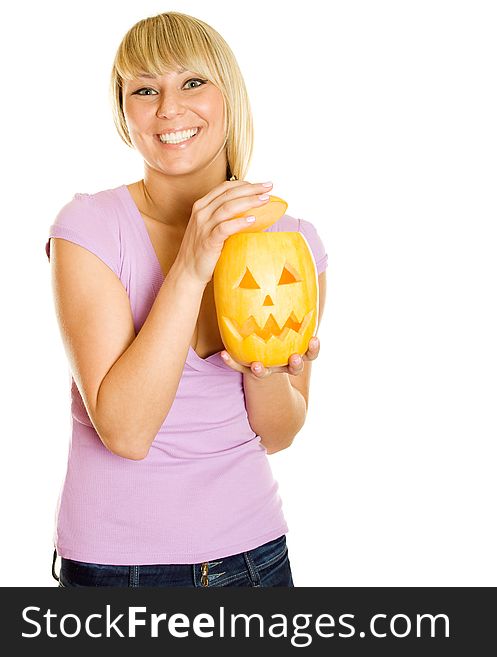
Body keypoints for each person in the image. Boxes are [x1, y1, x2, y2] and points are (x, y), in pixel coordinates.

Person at [44, 11, 328, 587]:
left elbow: (278, 434)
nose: (169, 108)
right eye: (145, 90)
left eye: (191, 82)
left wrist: (269, 371)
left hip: (257, 557)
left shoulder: (292, 242)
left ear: (229, 95)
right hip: (117, 571)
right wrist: (192, 264)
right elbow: (125, 432)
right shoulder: (89, 229)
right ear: (125, 116)